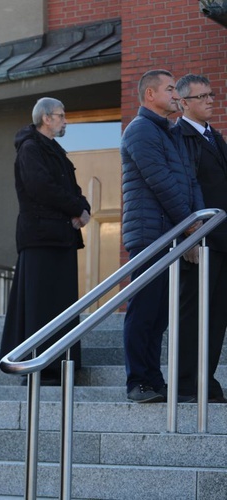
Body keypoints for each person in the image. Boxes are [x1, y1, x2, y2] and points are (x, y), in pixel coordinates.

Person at [120, 70, 204, 403]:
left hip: (172, 234)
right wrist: (189, 224)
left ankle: (154, 381)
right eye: (170, 89)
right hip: (150, 236)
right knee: (144, 311)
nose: (176, 95)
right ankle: (138, 381)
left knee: (159, 316)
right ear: (150, 95)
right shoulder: (140, 130)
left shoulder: (172, 132)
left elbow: (191, 181)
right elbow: (161, 183)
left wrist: (198, 223)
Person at [0, 97, 90, 385]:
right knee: (42, 305)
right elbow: (41, 188)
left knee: (61, 304)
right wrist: (76, 209)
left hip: (58, 237)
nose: (65, 121)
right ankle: (42, 367)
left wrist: (82, 207)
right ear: (46, 118)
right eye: (61, 116)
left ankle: (62, 365)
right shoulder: (31, 148)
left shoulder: (54, 151)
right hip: (41, 238)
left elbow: (69, 187)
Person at [174, 74, 227, 403]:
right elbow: (180, 190)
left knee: (217, 313)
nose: (210, 100)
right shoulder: (179, 137)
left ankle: (205, 380)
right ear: (184, 103)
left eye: (211, 95)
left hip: (223, 240)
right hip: (201, 241)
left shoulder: (214, 137)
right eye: (202, 96)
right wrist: (188, 237)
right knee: (194, 312)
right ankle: (187, 383)